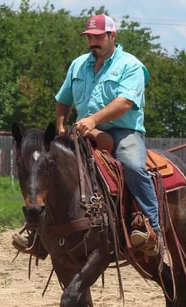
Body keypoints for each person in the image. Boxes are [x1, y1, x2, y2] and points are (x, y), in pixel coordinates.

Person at [13, 14, 161, 257]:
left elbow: (125, 102)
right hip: (82, 131)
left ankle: (152, 229)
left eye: (99, 37)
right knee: (53, 167)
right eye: (90, 37)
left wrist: (93, 120)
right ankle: (38, 231)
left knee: (133, 166)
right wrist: (61, 125)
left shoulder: (130, 65)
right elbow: (63, 99)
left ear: (112, 36)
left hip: (123, 132)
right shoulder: (79, 64)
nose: (93, 42)